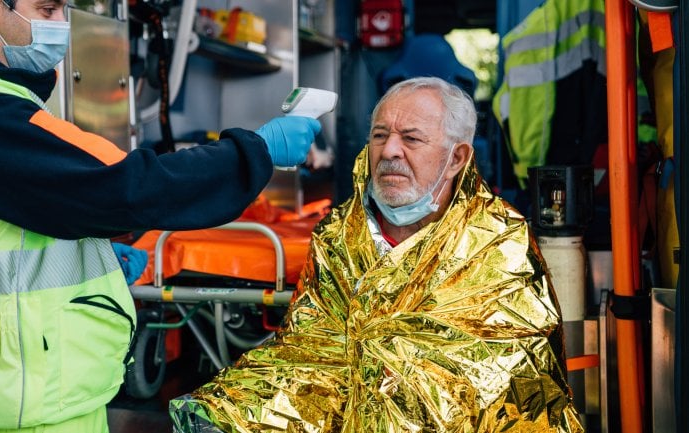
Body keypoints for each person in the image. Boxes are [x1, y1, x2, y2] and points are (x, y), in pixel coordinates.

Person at [0, 0, 321, 430]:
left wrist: (96, 254)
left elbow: (22, 218)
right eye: (48, 9)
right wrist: (255, 153)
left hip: (35, 394)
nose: (63, 24)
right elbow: (123, 187)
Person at [170, 77, 584, 433]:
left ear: (457, 158)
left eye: (412, 138)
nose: (389, 152)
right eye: (380, 135)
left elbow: (496, 377)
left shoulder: (498, 242)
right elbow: (310, 347)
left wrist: (381, 371)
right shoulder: (338, 236)